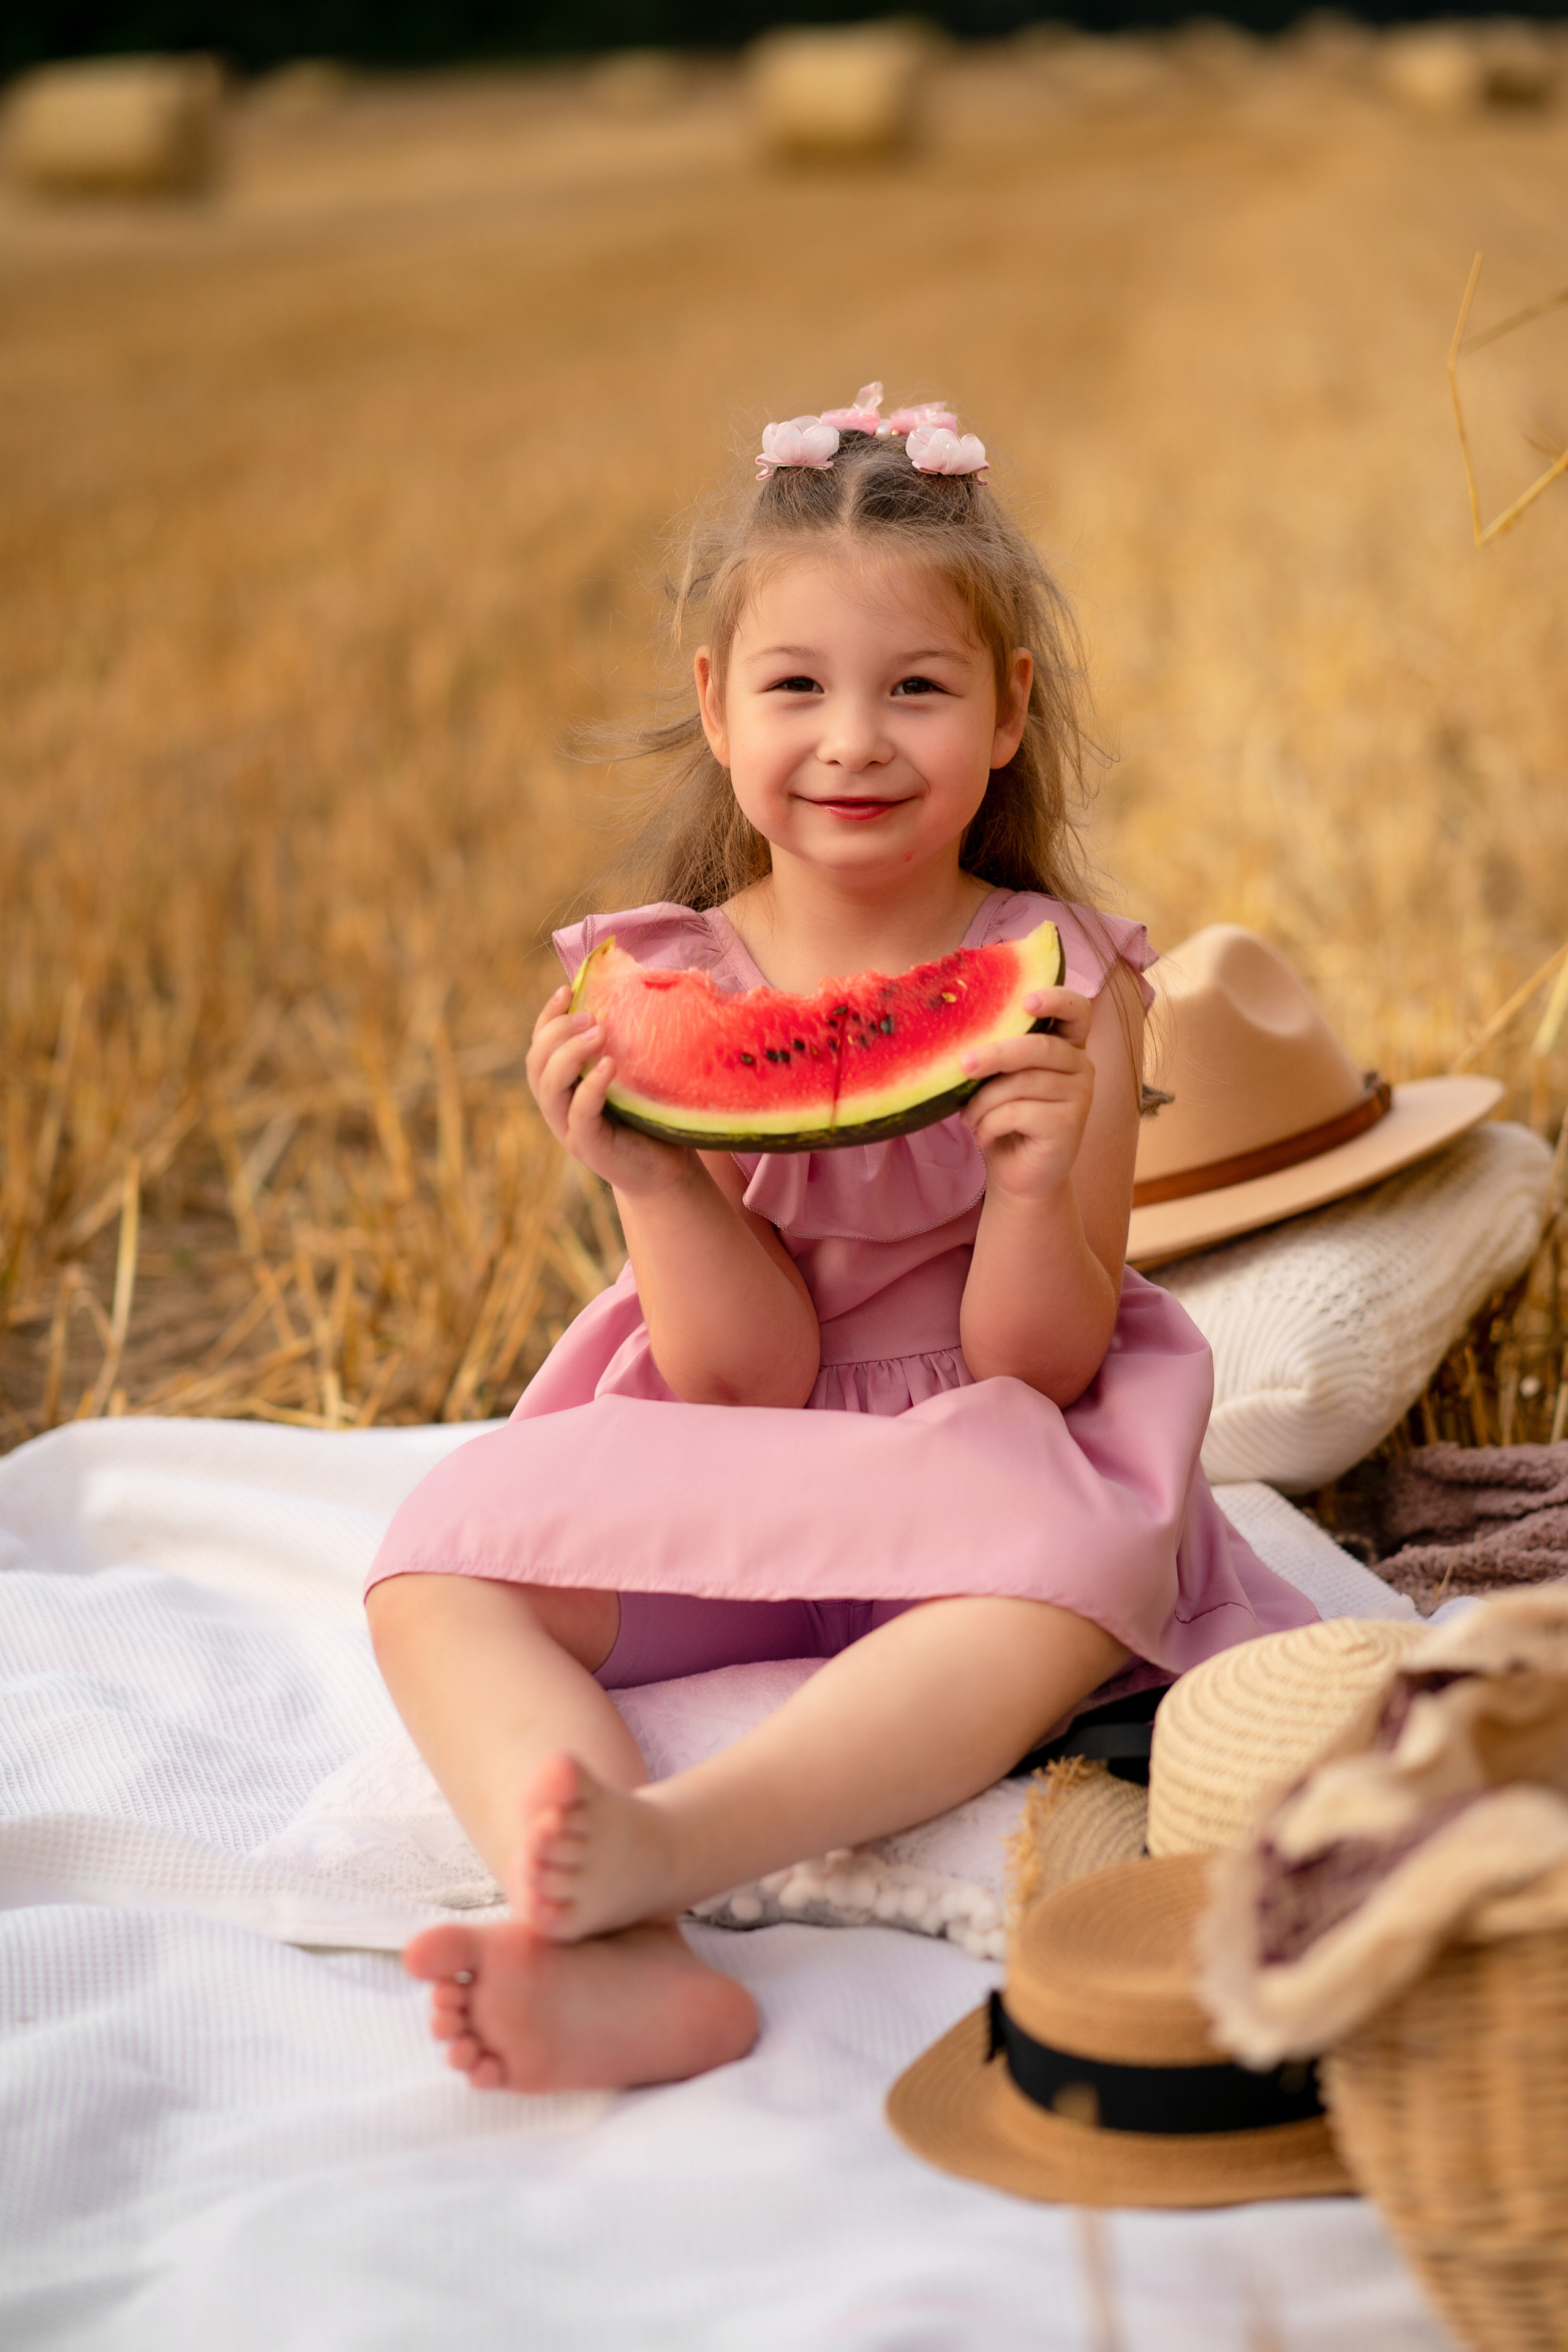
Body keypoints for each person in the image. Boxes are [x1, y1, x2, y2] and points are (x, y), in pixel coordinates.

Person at [363, 387, 1317, 2095]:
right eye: (797, 687)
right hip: (753, 1443)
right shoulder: (660, 978)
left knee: (1073, 1580)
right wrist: (655, 1181)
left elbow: (1045, 1365)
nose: (854, 741)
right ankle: (620, 1955)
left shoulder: (1073, 984)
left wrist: (1030, 1182)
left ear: (1009, 712)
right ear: (715, 704)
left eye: (918, 690)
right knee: (437, 1567)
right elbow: (741, 1380)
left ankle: (672, 1847)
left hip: (994, 1456)